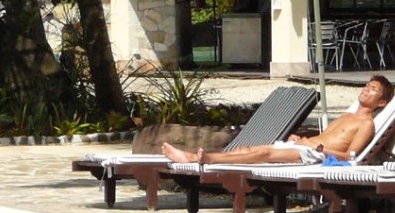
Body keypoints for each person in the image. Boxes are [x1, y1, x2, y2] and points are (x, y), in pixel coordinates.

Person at [162, 75, 394, 165]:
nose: (366, 90)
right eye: (366, 85)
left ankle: (200, 159)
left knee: (264, 154)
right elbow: (326, 137)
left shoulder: (366, 124)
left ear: (381, 103)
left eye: (372, 89)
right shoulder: (347, 115)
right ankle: (195, 157)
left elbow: (352, 157)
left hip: (316, 155)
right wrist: (303, 139)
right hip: (306, 147)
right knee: (249, 148)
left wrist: (316, 147)